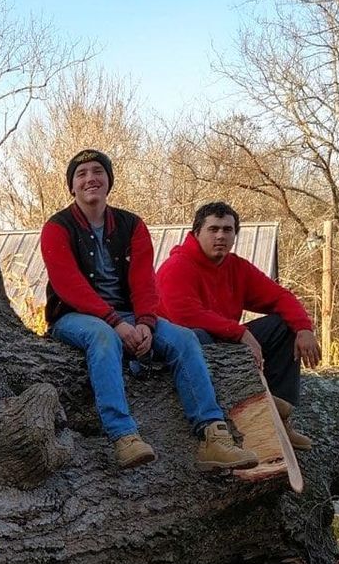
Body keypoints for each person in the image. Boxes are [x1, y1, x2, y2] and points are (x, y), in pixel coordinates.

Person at [40, 150, 257, 472]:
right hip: (74, 316)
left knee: (183, 338)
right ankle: (124, 436)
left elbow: (144, 282)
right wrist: (115, 323)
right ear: (72, 186)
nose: (90, 179)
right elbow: (69, 285)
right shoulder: (57, 227)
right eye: (81, 174)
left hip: (128, 315)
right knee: (102, 338)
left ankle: (213, 436)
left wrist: (144, 322)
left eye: (97, 171)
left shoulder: (132, 225)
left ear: (109, 181)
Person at [156, 200, 321, 450]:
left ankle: (281, 415)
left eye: (227, 230)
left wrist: (303, 328)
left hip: (225, 339)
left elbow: (280, 297)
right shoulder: (177, 266)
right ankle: (227, 418)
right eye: (213, 229)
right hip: (180, 348)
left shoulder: (237, 267)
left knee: (283, 326)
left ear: (235, 235)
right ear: (196, 233)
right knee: (196, 336)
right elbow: (184, 315)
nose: (220, 236)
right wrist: (240, 332)